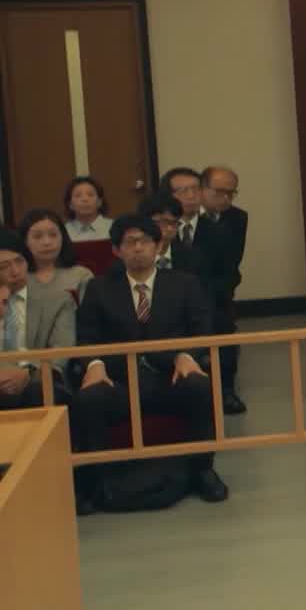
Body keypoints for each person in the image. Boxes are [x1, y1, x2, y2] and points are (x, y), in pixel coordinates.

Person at [74, 213, 230, 504]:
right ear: (116, 250)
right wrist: (95, 365)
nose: (138, 248)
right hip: (119, 379)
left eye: (145, 241)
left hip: (168, 375)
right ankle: (96, 481)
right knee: (89, 397)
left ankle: (202, 470)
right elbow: (86, 336)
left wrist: (186, 355)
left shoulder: (185, 283)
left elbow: (202, 330)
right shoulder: (99, 288)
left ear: (158, 246)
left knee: (199, 385)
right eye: (129, 242)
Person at [0, 227, 76, 411]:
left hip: (38, 381)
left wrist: (27, 373)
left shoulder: (58, 300)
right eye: (4, 267)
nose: (15, 271)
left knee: (38, 392)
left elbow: (61, 351)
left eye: (20, 261)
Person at [199, 166, 249, 411]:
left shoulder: (237, 218)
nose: (226, 198)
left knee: (222, 317)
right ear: (202, 189)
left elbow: (232, 262)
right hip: (185, 284)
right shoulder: (185, 216)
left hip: (219, 285)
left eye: (231, 193)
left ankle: (226, 388)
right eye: (219, 192)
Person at [21, 209, 94, 301]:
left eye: (53, 235)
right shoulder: (17, 277)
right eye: (37, 236)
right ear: (25, 241)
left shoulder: (81, 275)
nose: (47, 242)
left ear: (63, 237)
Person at [62, 176, 113, 242]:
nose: (85, 199)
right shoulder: (63, 231)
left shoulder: (113, 227)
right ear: (70, 204)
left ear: (99, 202)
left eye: (90, 195)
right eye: (78, 195)